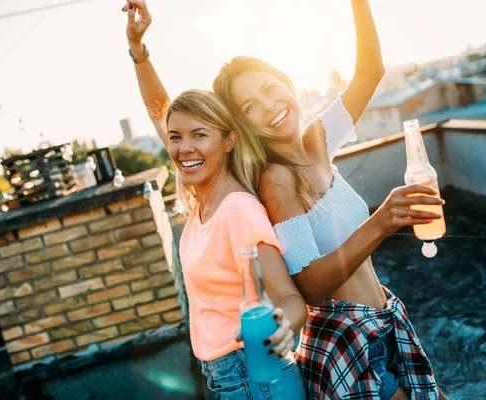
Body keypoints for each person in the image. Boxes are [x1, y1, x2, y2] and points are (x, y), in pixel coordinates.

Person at [123, 0, 447, 398]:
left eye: (270, 89)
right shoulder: (274, 179)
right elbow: (310, 286)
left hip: (385, 317)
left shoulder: (317, 138)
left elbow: (371, 71)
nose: (270, 107)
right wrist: (380, 222)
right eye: (250, 108)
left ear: (288, 83)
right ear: (241, 126)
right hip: (349, 340)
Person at [122, 3, 308, 399]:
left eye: (200, 135)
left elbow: (291, 299)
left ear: (229, 140)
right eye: (175, 137)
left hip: (256, 376)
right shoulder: (204, 202)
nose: (184, 147)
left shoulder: (237, 209)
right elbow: (161, 111)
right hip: (230, 377)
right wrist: (138, 49)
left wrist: (283, 329)